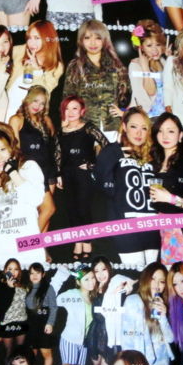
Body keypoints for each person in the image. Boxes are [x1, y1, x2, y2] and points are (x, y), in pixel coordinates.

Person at [94, 107, 159, 265]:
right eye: (133, 126)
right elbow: (104, 187)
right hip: (125, 226)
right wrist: (115, 154)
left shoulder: (152, 155)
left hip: (151, 224)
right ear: (124, 127)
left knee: (152, 275)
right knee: (135, 273)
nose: (139, 133)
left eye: (144, 128)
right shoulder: (113, 151)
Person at [0, 122, 46, 265]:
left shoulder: (28, 168)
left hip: (27, 253)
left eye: (2, 149)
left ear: (11, 148)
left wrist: (13, 173)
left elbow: (36, 199)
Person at [149, 112, 183, 270]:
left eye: (171, 131)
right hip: (157, 234)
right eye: (160, 131)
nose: (165, 136)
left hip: (181, 234)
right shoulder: (151, 165)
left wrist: (170, 198)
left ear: (180, 136)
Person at [56, 95, 108, 258]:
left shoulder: (88, 127)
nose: (70, 112)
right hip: (67, 175)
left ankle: (87, 243)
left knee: (83, 209)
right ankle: (77, 242)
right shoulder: (60, 131)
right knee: (72, 210)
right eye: (67, 108)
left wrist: (93, 165)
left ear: (82, 111)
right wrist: (58, 174)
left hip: (83, 175)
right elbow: (58, 154)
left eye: (75, 108)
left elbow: (107, 145)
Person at [63, 19, 129, 141]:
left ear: (104, 40)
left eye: (98, 38)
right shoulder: (75, 66)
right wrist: (67, 122)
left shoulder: (116, 65)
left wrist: (123, 113)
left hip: (112, 127)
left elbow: (126, 95)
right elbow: (68, 98)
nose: (92, 43)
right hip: (84, 126)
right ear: (81, 40)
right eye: (87, 38)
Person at [9, 85, 57, 231]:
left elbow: (54, 146)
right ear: (28, 99)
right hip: (31, 172)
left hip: (49, 170)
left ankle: (41, 245)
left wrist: (58, 172)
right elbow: (15, 150)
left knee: (45, 214)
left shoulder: (46, 120)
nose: (38, 106)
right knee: (46, 209)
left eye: (42, 103)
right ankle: (29, 242)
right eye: (35, 101)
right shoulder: (17, 119)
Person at [120, 263, 174, 365]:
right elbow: (126, 340)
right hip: (142, 364)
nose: (157, 285)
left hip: (162, 364)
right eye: (153, 279)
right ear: (146, 279)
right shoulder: (133, 301)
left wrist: (163, 317)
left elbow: (170, 339)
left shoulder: (163, 304)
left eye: (162, 281)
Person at [6, 20, 64, 121]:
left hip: (32, 111)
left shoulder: (56, 65)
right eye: (29, 38)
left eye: (37, 38)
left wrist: (37, 70)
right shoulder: (19, 50)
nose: (31, 43)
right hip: (9, 104)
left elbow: (45, 91)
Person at [55, 267, 96, 365]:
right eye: (86, 279)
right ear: (78, 282)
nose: (91, 281)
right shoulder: (72, 295)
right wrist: (60, 275)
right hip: (70, 341)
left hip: (84, 343)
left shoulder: (93, 297)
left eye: (93, 278)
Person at [126, 20, 166, 117]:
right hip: (145, 116)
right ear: (141, 47)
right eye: (149, 46)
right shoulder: (135, 65)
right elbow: (150, 93)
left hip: (164, 115)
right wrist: (145, 68)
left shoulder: (163, 62)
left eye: (158, 44)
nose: (155, 50)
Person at [25, 262, 57, 365]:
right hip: (30, 324)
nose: (34, 276)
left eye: (37, 273)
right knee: (30, 354)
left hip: (44, 323)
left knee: (46, 354)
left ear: (43, 274)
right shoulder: (27, 288)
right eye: (32, 273)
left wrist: (50, 323)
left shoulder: (48, 288)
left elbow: (53, 307)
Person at [0, 259, 29, 353]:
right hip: (7, 323)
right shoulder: (0, 286)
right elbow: (2, 306)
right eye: (10, 269)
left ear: (19, 271)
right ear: (5, 270)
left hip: (22, 321)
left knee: (21, 351)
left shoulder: (23, 285)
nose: (13, 272)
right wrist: (10, 288)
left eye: (16, 269)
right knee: (8, 351)